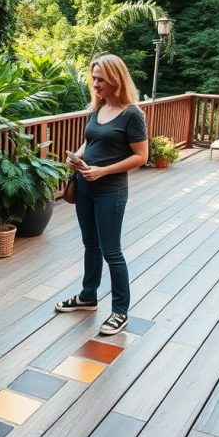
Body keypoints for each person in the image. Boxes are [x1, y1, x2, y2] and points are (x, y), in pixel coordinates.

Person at [55, 54, 148, 335]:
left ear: (115, 80)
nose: (94, 84)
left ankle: (120, 311)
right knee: (90, 245)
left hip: (110, 191)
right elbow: (90, 140)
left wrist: (103, 171)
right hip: (84, 187)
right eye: (93, 78)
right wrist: (77, 158)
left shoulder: (132, 114)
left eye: (100, 79)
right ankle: (88, 296)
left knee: (112, 251)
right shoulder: (98, 107)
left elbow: (141, 156)